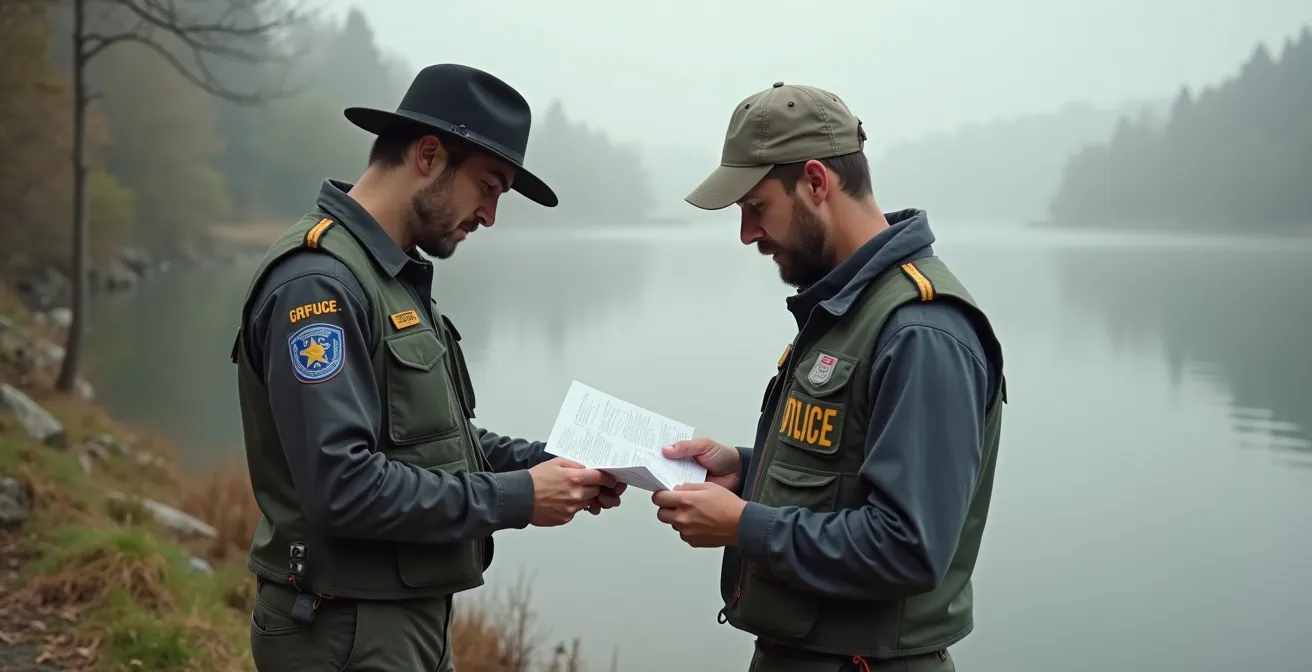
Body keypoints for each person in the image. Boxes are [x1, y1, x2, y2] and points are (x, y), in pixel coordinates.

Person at [229, 63, 626, 672]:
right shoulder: (320, 286)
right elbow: (344, 489)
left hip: (396, 620)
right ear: (429, 154)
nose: (490, 215)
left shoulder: (385, 276)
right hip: (342, 629)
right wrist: (519, 498)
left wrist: (547, 464)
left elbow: (430, 444)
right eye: (489, 187)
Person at [651, 81, 1008, 672]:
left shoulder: (922, 330)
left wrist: (746, 525)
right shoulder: (851, 305)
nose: (746, 234)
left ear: (816, 182)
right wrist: (747, 469)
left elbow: (908, 547)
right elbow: (844, 468)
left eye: (756, 207)